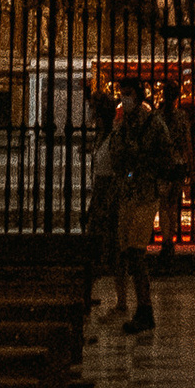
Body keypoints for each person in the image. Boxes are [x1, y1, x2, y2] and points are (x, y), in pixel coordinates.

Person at [109, 77, 173, 333]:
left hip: (146, 192)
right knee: (128, 251)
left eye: (128, 94)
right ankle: (140, 307)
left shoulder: (154, 122)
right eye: (122, 94)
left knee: (136, 251)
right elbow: (116, 156)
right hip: (128, 191)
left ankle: (145, 310)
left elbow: (165, 156)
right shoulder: (123, 123)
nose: (124, 99)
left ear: (139, 95)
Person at [81, 89, 122, 323]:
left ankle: (122, 300)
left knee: (114, 248)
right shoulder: (100, 136)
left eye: (93, 108)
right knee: (94, 246)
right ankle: (87, 295)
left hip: (110, 193)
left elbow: (123, 166)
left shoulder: (114, 136)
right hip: (100, 191)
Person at [155, 78, 193, 258]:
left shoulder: (157, 116)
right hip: (178, 164)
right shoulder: (181, 116)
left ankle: (166, 238)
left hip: (162, 164)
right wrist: (191, 165)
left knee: (163, 203)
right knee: (173, 203)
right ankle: (171, 236)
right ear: (178, 96)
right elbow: (187, 143)